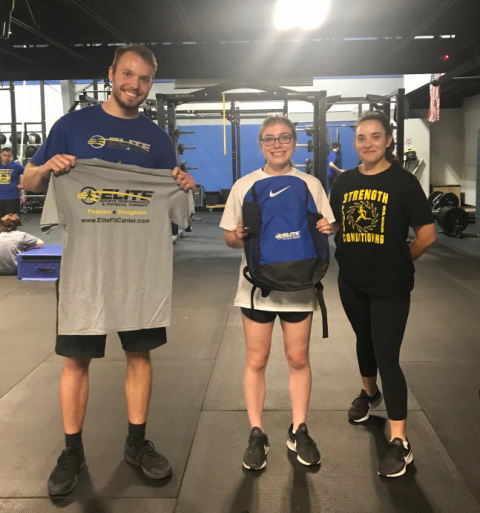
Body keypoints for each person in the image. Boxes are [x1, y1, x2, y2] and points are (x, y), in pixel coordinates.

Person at [23, 43, 196, 497]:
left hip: (140, 271)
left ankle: (136, 445)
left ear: (150, 85)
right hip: (87, 270)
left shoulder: (159, 141)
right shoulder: (71, 125)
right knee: (75, 360)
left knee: (140, 356)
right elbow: (27, 180)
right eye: (127, 74)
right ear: (111, 73)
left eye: (143, 79)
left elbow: (176, 199)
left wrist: (181, 184)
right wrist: (47, 168)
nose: (134, 85)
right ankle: (72, 451)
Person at [220, 115, 334, 471]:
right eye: (269, 139)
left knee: (298, 359)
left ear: (295, 141)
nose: (277, 144)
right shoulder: (244, 185)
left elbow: (324, 228)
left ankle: (299, 428)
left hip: (299, 284)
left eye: (284, 137)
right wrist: (236, 234)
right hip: (257, 289)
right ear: (261, 145)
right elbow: (228, 237)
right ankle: (257, 432)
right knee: (257, 360)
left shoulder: (311, 184)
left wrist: (326, 227)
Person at [329, 111, 436, 478]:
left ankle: (400, 442)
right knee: (365, 339)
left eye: (375, 136)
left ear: (388, 140)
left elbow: (427, 235)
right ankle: (369, 394)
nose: (368, 144)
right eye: (361, 138)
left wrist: (401, 259)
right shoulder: (343, 183)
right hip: (352, 280)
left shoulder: (404, 183)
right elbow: (339, 224)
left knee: (387, 355)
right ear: (354, 143)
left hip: (391, 285)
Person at [0, 147, 25, 217]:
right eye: (4, 155)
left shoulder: (17, 166)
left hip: (12, 197)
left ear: (11, 156)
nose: (6, 158)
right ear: (1, 155)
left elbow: (29, 173)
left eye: (8, 156)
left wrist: (23, 184)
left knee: (12, 221)